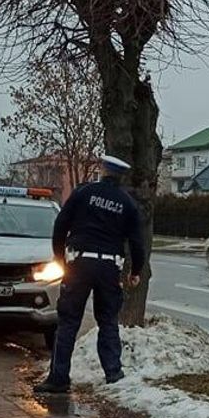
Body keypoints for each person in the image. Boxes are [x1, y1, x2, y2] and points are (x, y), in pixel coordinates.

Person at [34, 155, 145, 394]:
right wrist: (136, 271)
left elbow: (61, 225)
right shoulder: (127, 203)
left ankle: (59, 378)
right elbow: (137, 241)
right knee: (107, 320)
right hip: (109, 267)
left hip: (79, 265)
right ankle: (113, 373)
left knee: (68, 322)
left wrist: (59, 257)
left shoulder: (83, 193)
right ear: (122, 176)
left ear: (103, 170)